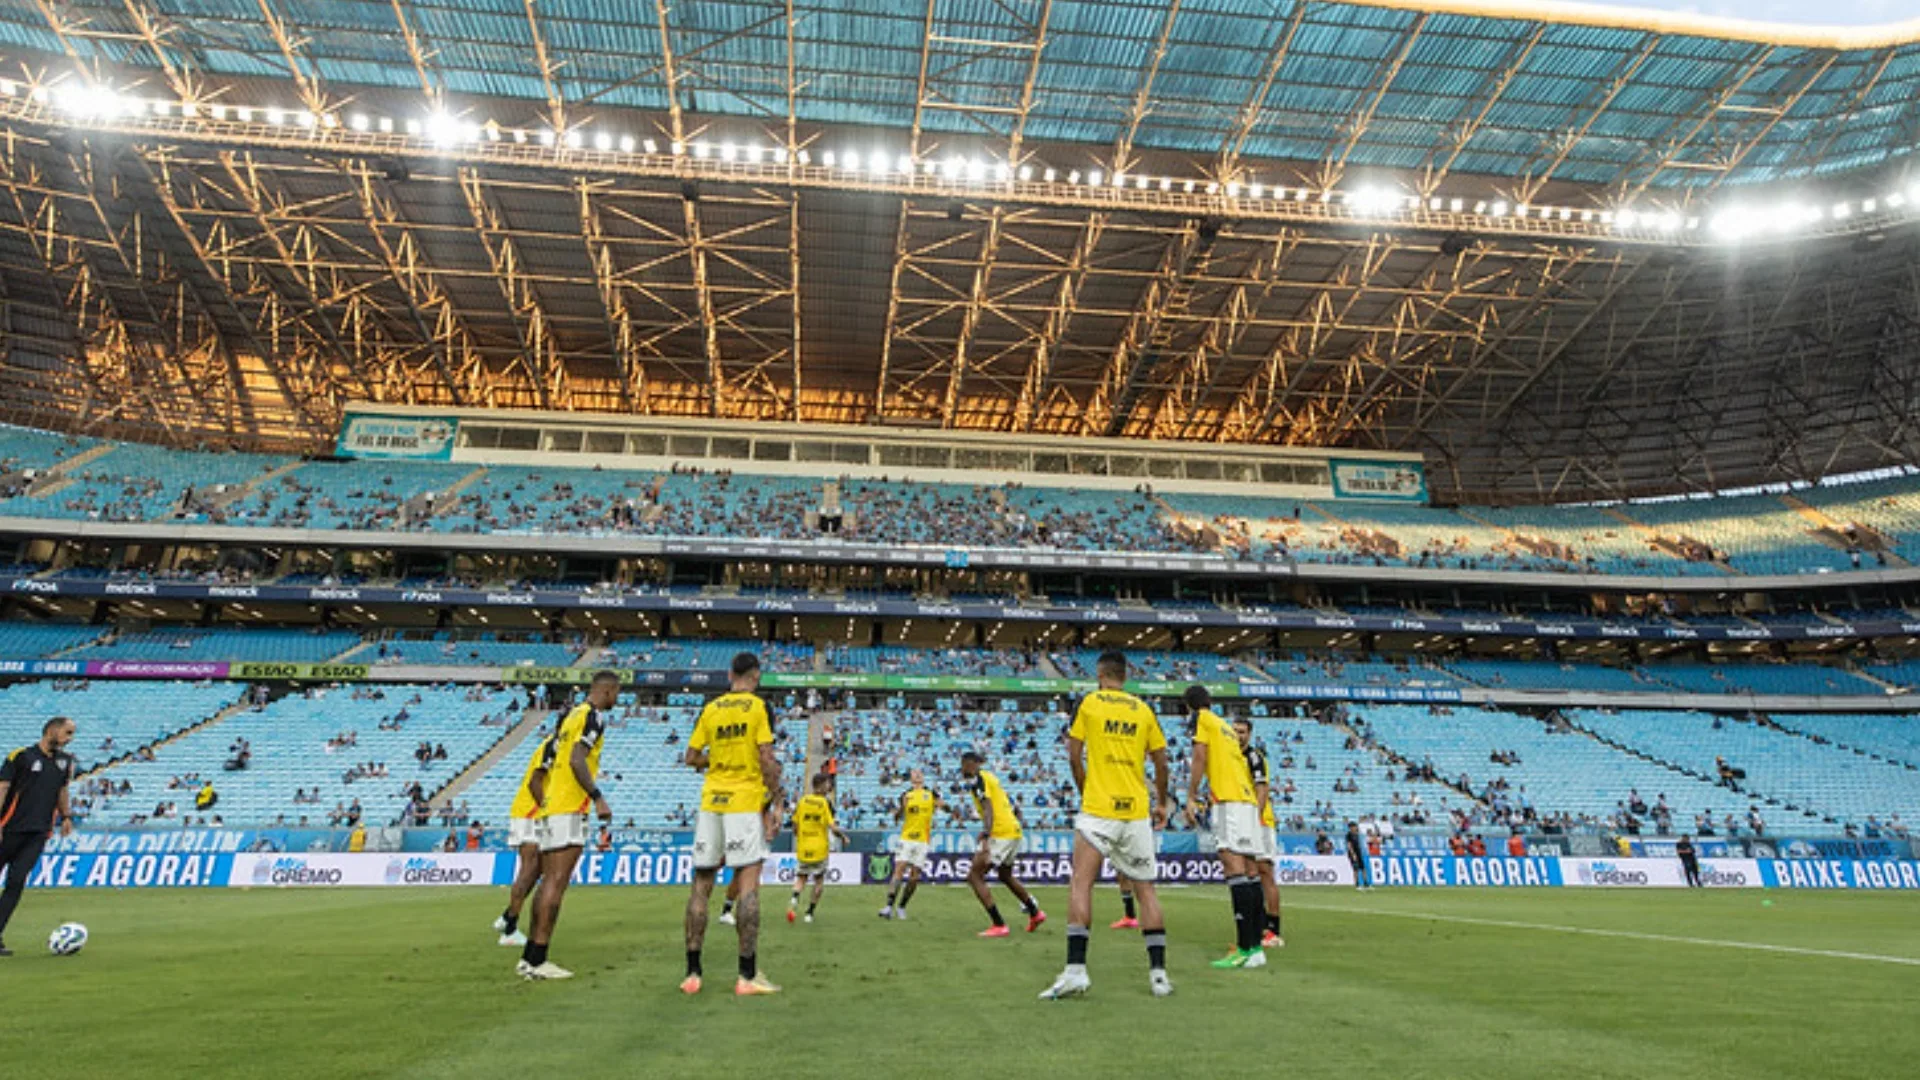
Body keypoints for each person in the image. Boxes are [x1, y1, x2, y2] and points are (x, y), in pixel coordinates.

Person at [1039, 651, 1173, 1001]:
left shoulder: (1090, 703)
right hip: (1136, 810)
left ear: (1100, 675)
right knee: (1147, 891)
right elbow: (1161, 759)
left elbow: (1073, 754)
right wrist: (1161, 801)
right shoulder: (1142, 709)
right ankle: (1159, 977)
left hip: (1098, 808)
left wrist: (1086, 789)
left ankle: (1075, 972)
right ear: (1125, 677)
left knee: (1081, 883)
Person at [682, 652, 783, 997]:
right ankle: (747, 975)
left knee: (701, 885)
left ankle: (693, 973)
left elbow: (691, 757)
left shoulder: (711, 709)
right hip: (743, 800)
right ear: (755, 676)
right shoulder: (757, 707)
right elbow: (767, 759)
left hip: (711, 800)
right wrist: (778, 799)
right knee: (749, 885)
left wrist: (718, 759)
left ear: (729, 674)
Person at [516, 670, 619, 981]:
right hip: (570, 806)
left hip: (551, 806)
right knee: (556, 883)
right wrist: (598, 797)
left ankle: (529, 957)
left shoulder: (571, 715)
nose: (616, 699)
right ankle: (539, 960)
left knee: (547, 881)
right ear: (608, 691)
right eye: (616, 693)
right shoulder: (593, 717)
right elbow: (577, 760)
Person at [1181, 686, 1265, 970]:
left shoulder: (1202, 719)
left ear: (1189, 707)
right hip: (1247, 801)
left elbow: (1200, 758)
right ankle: (1254, 948)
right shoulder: (1225, 727)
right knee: (1251, 872)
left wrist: (1190, 796)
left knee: (1234, 868)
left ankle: (1243, 948)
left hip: (1230, 802)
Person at [0, 717, 77, 956]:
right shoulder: (21, 757)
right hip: (8, 829)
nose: (70, 738)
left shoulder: (65, 762)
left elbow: (62, 789)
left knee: (16, 881)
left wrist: (66, 816)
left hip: (37, 833)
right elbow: (2, 788)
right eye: (67, 732)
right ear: (51, 731)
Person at [960, 750, 1045, 938]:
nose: (962, 769)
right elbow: (1004, 804)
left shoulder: (978, 780)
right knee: (1005, 875)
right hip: (1013, 830)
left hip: (1000, 832)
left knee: (974, 876)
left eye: (964, 764)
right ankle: (1035, 912)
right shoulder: (990, 777)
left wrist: (986, 832)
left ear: (972, 763)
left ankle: (998, 924)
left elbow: (987, 806)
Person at [1235, 717, 1283, 948]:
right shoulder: (1233, 758)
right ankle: (1259, 926)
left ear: (1250, 734)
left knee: (1264, 872)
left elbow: (1262, 789)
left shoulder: (1254, 757)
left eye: (1242, 732)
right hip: (1244, 821)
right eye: (1235, 731)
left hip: (1260, 821)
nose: (1238, 735)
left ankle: (1273, 930)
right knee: (1248, 873)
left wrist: (1256, 819)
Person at [878, 769, 938, 920]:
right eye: (914, 774)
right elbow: (897, 818)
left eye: (920, 773)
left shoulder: (931, 794)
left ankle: (902, 906)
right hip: (906, 838)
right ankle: (888, 906)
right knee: (899, 870)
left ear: (923, 777)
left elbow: (942, 806)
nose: (918, 775)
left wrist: (944, 807)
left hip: (923, 840)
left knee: (914, 877)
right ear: (911, 778)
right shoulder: (906, 795)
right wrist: (901, 808)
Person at [788, 774, 847, 925]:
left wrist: (799, 835)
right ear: (820, 786)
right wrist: (843, 836)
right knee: (819, 880)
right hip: (819, 847)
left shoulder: (802, 801)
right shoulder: (824, 802)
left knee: (801, 876)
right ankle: (809, 912)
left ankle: (795, 896)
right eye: (827, 784)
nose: (829, 787)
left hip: (803, 846)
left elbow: (794, 824)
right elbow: (832, 826)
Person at [1345, 819, 1369, 890]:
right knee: (1356, 869)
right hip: (1353, 853)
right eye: (1354, 827)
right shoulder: (1348, 835)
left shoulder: (1356, 834)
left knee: (1363, 868)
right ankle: (1357, 884)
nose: (1355, 828)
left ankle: (1365, 883)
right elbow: (1349, 845)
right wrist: (1353, 854)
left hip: (1359, 852)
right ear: (1351, 828)